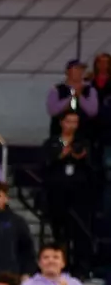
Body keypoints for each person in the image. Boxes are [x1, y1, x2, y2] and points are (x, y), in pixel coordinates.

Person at [42, 111, 96, 266]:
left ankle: (80, 268)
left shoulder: (83, 143)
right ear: (61, 122)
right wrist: (60, 155)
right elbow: (44, 165)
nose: (71, 125)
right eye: (68, 121)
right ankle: (61, 265)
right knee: (60, 233)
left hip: (79, 195)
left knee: (80, 233)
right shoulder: (51, 142)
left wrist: (83, 159)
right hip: (57, 195)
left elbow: (92, 169)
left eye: (75, 122)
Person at [46, 59, 100, 131]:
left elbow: (92, 111)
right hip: (60, 132)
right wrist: (71, 97)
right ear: (68, 71)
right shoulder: (56, 89)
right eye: (76, 68)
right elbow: (53, 111)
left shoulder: (90, 90)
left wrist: (80, 95)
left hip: (84, 134)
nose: (80, 72)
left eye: (82, 69)